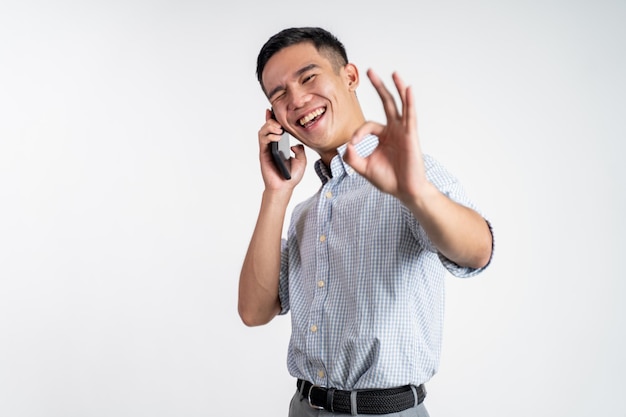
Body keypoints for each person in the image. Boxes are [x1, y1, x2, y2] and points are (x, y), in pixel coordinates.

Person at [239, 26, 494, 417]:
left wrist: (415, 192)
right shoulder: (305, 212)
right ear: (275, 117)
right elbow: (254, 312)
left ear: (350, 76)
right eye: (280, 94)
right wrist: (276, 193)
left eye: (308, 77)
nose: (298, 99)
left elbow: (477, 251)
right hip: (303, 407)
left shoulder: (410, 176)